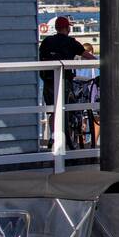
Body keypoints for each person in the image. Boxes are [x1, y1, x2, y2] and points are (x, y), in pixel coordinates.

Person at [38, 17, 85, 147]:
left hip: (48, 79)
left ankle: (54, 136)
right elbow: (86, 54)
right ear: (67, 28)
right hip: (64, 79)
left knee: (52, 109)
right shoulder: (70, 42)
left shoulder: (47, 41)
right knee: (67, 106)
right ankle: (67, 132)